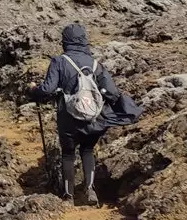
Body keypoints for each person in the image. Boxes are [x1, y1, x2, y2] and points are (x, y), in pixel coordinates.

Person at [28, 24, 121, 205]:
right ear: (84, 40)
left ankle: (68, 196)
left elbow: (47, 89)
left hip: (68, 117)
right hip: (92, 117)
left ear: (65, 41)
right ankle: (90, 190)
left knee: (68, 154)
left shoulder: (59, 61)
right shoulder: (95, 64)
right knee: (87, 150)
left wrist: (33, 90)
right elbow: (112, 92)